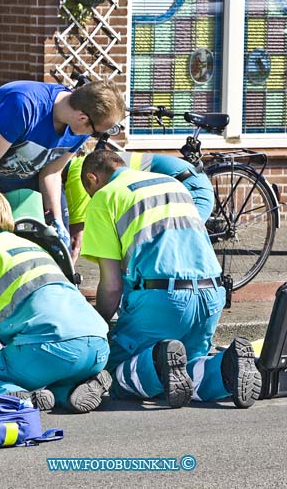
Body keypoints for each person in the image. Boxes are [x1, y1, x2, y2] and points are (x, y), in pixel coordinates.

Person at [80, 150, 260, 409]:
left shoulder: (105, 197)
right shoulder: (172, 183)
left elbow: (111, 286)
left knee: (114, 370)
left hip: (162, 300)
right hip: (211, 296)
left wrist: (98, 328)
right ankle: (225, 368)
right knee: (187, 368)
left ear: (92, 179)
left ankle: (156, 361)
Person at [0, 188, 111, 413]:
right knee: (52, 373)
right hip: (97, 346)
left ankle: (15, 395)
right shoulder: (34, 248)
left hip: (48, 350)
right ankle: (74, 390)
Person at [0, 79, 126, 261]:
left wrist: (57, 222)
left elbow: (52, 172)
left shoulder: (78, 129)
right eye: (96, 133)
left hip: (30, 167)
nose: (93, 136)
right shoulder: (24, 105)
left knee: (57, 242)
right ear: (83, 118)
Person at [65, 151, 213, 261]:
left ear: (92, 178)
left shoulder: (78, 175)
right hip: (189, 178)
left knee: (178, 246)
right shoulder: (88, 164)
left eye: (91, 193)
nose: (93, 196)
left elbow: (77, 236)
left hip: (190, 186)